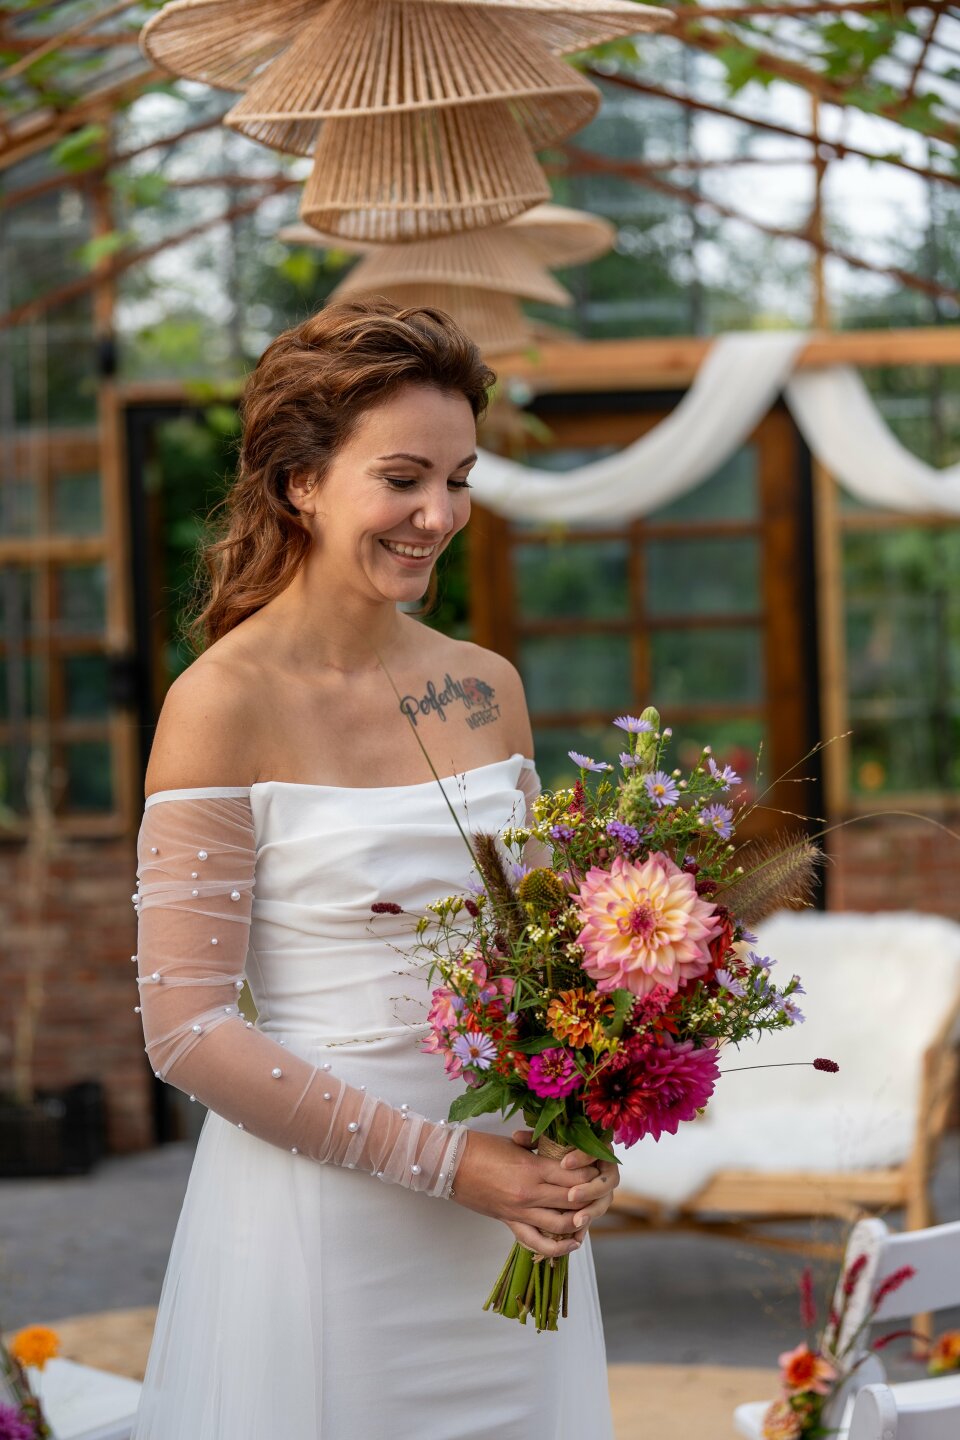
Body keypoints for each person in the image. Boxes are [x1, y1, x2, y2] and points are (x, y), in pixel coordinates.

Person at [131, 300, 618, 1438]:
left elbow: (543, 970)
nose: (438, 515)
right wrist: (456, 1166)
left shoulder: (486, 686)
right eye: (402, 478)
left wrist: (583, 1122)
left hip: (511, 1235)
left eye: (460, 477)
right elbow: (187, 1028)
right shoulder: (219, 705)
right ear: (300, 481)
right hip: (327, 1234)